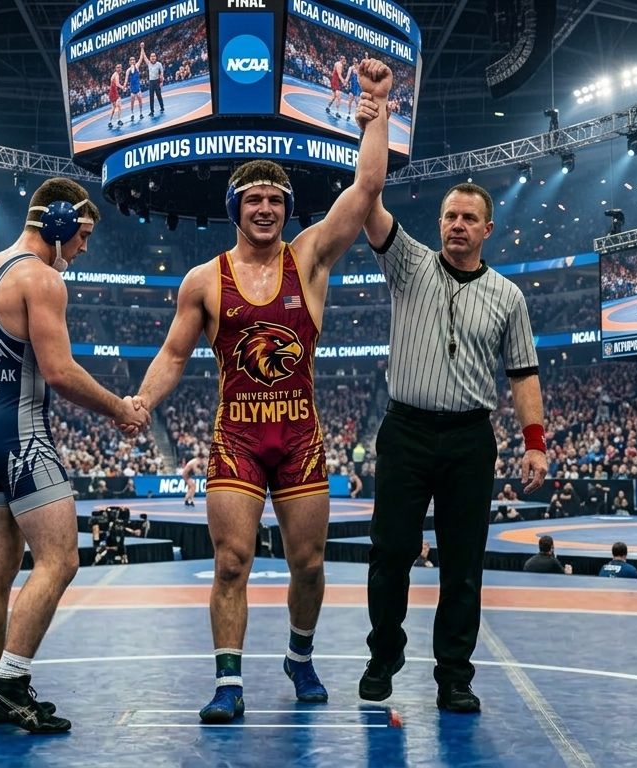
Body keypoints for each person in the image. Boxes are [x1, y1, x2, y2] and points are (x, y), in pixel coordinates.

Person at [134, 60, 393, 723]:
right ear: (235, 209)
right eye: (254, 200)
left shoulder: (308, 258)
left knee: (307, 563)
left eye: (276, 200)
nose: (267, 208)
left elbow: (366, 187)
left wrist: (376, 105)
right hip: (239, 438)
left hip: (300, 437)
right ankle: (228, 682)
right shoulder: (204, 279)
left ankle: (300, 656)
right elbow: (172, 353)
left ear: (286, 209)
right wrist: (142, 402)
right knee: (231, 561)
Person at [0, 177, 148, 734]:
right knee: (60, 560)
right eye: (82, 235)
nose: (84, 248)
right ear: (58, 225)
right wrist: (119, 408)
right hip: (18, 432)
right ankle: (12, 687)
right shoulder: (41, 279)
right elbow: (60, 373)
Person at [357, 175, 547, 716]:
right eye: (449, 216)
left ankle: (454, 677)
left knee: (462, 564)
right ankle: (384, 653)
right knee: (390, 551)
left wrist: (534, 442)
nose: (457, 225)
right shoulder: (408, 262)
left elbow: (524, 373)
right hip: (406, 430)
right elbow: (369, 200)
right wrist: (372, 119)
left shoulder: (508, 295)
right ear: (439, 222)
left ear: (488, 228)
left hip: (469, 438)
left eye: (468, 218)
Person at [142, 42, 165, 116]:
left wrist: (161, 82)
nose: (153, 57)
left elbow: (161, 73)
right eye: (151, 56)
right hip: (151, 82)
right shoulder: (149, 64)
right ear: (150, 58)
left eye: (154, 56)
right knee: (151, 97)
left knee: (159, 95)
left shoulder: (159, 64)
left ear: (156, 57)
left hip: (157, 81)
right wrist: (142, 48)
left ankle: (162, 107)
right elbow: (144, 56)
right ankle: (152, 111)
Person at [107, 64, 124, 128]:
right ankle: (119, 120)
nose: (119, 69)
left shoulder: (114, 74)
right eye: (117, 67)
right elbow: (117, 84)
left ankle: (110, 122)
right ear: (115, 68)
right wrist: (122, 87)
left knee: (114, 108)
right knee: (119, 106)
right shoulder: (116, 75)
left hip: (112, 93)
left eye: (120, 67)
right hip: (114, 93)